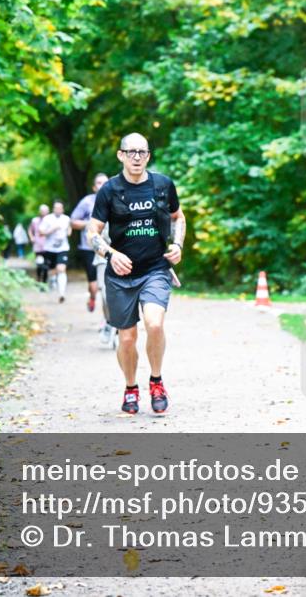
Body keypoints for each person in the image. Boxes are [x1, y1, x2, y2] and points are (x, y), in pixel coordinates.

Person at [86, 133, 186, 415]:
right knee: (127, 338)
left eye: (142, 152)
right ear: (121, 155)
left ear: (148, 156)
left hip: (155, 269)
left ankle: (156, 381)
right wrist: (110, 254)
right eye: (131, 152)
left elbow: (179, 217)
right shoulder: (109, 190)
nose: (137, 157)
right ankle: (131, 387)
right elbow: (92, 231)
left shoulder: (163, 185)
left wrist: (177, 244)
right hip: (120, 275)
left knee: (154, 324)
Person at [71, 173, 109, 313]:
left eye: (105, 182)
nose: (102, 185)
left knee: (107, 285)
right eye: (99, 182)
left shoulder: (117, 200)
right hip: (89, 248)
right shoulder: (86, 202)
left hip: (110, 249)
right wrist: (91, 224)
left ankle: (109, 320)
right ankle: (92, 297)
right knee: (94, 286)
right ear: (94, 187)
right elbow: (73, 221)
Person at [39, 200, 72, 303]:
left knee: (61, 269)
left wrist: (68, 232)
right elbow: (41, 232)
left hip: (63, 248)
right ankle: (52, 280)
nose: (58, 210)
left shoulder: (66, 218)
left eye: (60, 208)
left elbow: (69, 229)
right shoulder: (47, 219)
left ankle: (62, 293)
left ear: (62, 209)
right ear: (53, 209)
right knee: (51, 271)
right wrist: (52, 230)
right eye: (56, 208)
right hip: (50, 249)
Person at [29, 204, 50, 285]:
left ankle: (44, 282)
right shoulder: (35, 220)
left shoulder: (51, 220)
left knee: (46, 265)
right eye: (42, 211)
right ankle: (38, 279)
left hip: (48, 247)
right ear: (40, 212)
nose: (44, 213)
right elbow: (30, 230)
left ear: (48, 212)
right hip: (38, 246)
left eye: (45, 211)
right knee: (39, 264)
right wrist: (31, 237)